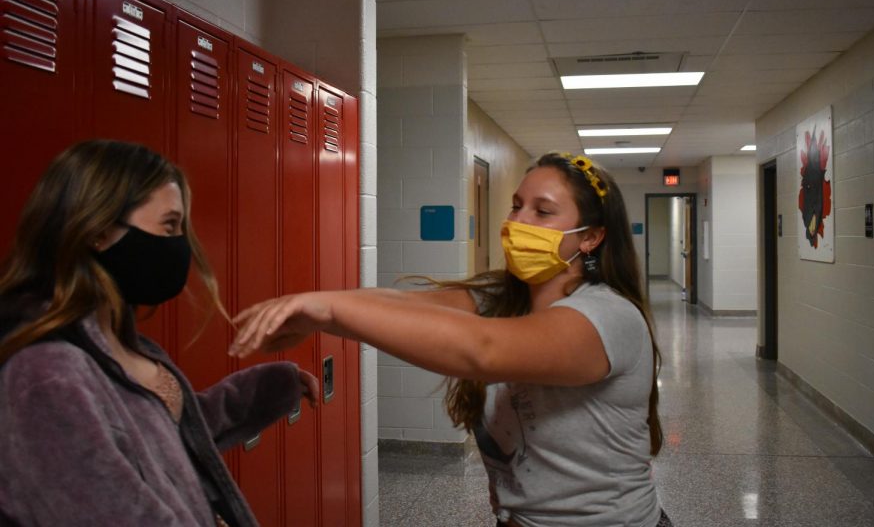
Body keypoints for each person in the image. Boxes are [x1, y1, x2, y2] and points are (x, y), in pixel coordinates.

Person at [230, 151, 673, 527]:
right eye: (517, 206)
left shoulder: (608, 317)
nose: (518, 221)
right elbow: (407, 307)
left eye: (543, 211)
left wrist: (326, 309)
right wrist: (318, 312)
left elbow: (481, 350)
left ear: (591, 237)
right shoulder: (506, 297)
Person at [0, 140, 319, 526]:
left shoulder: (118, 342)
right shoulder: (46, 372)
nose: (181, 246)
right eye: (169, 225)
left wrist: (271, 387)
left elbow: (162, 436)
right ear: (98, 230)